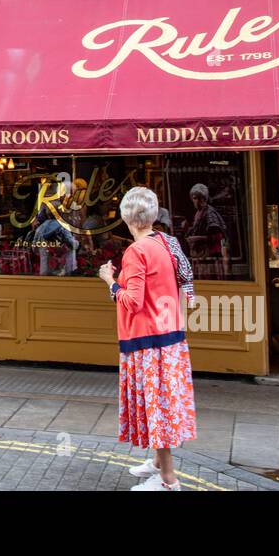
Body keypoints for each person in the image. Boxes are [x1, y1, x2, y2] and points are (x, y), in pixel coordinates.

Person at [98, 187, 196, 491]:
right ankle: (156, 463)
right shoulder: (165, 242)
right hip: (168, 338)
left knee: (157, 410)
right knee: (163, 405)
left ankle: (168, 480)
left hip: (147, 342)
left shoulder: (137, 251)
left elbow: (132, 301)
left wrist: (110, 282)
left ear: (127, 218)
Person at [185, 183, 228, 278]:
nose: (196, 201)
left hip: (209, 256)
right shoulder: (198, 213)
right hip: (200, 255)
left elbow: (218, 237)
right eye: (194, 198)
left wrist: (196, 239)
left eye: (199, 198)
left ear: (205, 199)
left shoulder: (210, 213)